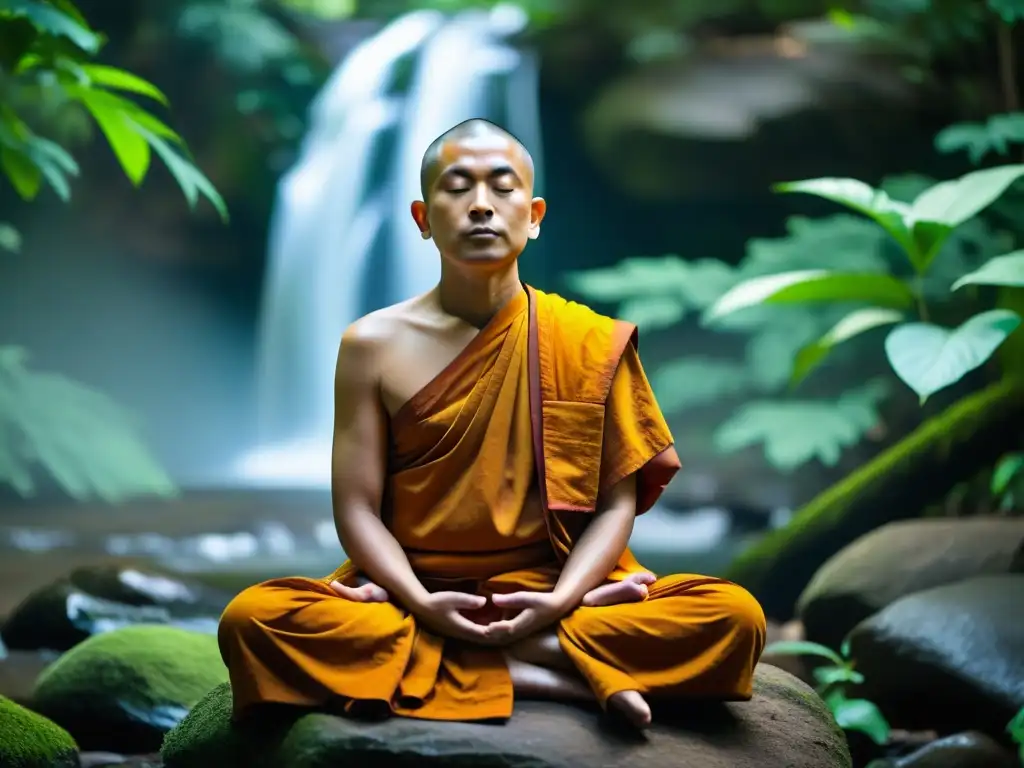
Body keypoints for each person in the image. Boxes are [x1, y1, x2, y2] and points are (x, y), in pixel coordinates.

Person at [218, 118, 766, 730]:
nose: (481, 205)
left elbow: (617, 506)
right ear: (424, 219)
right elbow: (357, 511)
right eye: (458, 187)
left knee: (734, 617)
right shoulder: (372, 345)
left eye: (501, 188)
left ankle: (500, 655)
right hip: (416, 585)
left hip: (559, 588)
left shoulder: (586, 342)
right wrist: (419, 601)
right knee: (254, 618)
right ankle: (553, 669)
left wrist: (561, 600)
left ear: (533, 215)